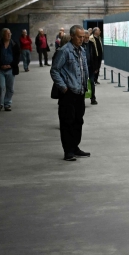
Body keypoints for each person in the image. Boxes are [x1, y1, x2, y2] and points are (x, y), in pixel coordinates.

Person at [51, 25, 91, 162]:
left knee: (78, 120)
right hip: (69, 93)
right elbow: (54, 70)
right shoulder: (64, 51)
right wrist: (63, 87)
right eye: (79, 37)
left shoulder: (82, 51)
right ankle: (68, 151)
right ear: (72, 36)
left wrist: (85, 86)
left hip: (80, 92)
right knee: (67, 121)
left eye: (83, 37)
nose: (82, 39)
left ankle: (75, 147)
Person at [0, 28, 21, 112]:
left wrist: (10, 65)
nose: (9, 35)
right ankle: (0, 104)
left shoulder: (14, 44)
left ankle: (7, 104)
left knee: (10, 88)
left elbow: (17, 57)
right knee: (1, 86)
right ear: (2, 35)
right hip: (0, 69)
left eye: (10, 33)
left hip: (10, 69)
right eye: (7, 34)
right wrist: (0, 65)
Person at [87, 27, 103, 105]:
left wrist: (96, 67)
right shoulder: (81, 45)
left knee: (92, 82)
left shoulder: (91, 44)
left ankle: (93, 98)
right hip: (83, 67)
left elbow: (94, 55)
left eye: (87, 37)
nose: (86, 39)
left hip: (91, 66)